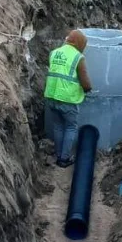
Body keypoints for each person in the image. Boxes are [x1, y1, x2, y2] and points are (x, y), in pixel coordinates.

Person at [44, 30, 93, 168]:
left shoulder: (55, 53)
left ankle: (58, 155)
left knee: (58, 127)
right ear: (79, 43)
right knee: (71, 127)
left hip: (51, 96)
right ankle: (64, 159)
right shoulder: (78, 57)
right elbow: (85, 81)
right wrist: (88, 89)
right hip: (68, 99)